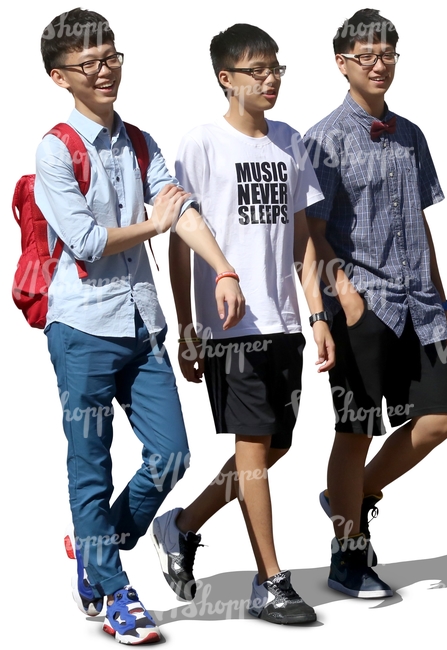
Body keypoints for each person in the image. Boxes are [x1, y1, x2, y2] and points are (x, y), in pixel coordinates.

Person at [37, 8, 244, 644]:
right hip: (82, 328)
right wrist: (152, 224)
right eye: (89, 64)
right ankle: (116, 591)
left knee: (172, 452)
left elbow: (178, 209)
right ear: (60, 77)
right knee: (90, 465)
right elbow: (86, 241)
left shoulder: (142, 142)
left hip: (141, 322)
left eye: (112, 57)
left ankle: (97, 549)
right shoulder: (55, 149)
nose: (105, 71)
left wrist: (223, 270)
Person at [150, 23, 334, 625]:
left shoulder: (290, 142)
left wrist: (317, 313)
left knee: (272, 448)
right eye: (258, 70)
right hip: (230, 325)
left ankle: (181, 525)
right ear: (226, 79)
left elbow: (303, 241)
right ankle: (270, 581)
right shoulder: (200, 143)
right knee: (252, 448)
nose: (271, 78)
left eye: (277, 67)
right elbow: (182, 241)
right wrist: (187, 325)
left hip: (285, 321)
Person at [303, 8, 447, 599]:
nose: (378, 65)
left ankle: (354, 496)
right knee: (356, 427)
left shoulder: (411, 134)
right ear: (341, 64)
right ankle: (348, 554)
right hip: (360, 304)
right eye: (365, 56)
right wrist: (336, 296)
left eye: (387, 54)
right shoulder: (323, 138)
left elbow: (418, 219)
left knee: (439, 418)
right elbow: (310, 233)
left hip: (418, 303)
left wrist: (441, 300)